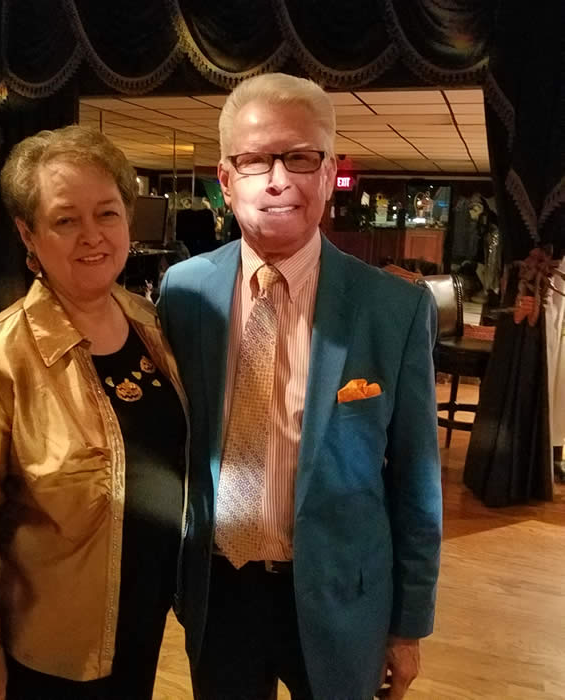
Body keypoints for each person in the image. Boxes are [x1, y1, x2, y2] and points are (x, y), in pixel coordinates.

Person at [157, 73, 442, 700]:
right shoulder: (183, 292)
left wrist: (409, 625)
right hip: (220, 593)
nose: (278, 179)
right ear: (226, 179)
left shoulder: (394, 309)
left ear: (330, 171)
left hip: (343, 598)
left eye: (301, 158)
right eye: (255, 160)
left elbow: (417, 481)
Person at [0, 125, 188, 700]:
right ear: (28, 234)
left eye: (107, 213)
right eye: (65, 220)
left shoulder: (150, 323)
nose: (92, 235)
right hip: (50, 652)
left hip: (142, 623)